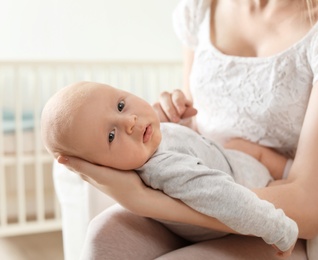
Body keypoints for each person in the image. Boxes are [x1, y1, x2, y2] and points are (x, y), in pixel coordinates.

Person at [57, 0, 318, 259]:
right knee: (104, 237)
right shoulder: (203, 8)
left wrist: (145, 200)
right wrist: (174, 121)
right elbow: (203, 124)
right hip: (204, 178)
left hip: (270, 221)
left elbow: (309, 208)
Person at [41, 81, 298, 256]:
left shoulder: (147, 138)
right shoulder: (166, 169)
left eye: (120, 105)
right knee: (263, 163)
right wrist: (278, 227)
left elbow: (180, 141)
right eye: (110, 135)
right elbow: (229, 200)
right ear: (98, 168)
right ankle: (289, 175)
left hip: (230, 159)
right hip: (248, 188)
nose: (129, 121)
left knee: (242, 146)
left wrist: (174, 116)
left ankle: (290, 172)